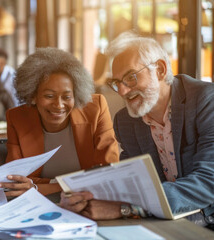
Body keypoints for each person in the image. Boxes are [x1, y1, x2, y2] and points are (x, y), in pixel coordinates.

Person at [60, 31, 214, 224]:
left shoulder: (206, 101)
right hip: (163, 218)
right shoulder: (126, 120)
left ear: (159, 69)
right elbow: (131, 178)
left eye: (131, 77)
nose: (123, 91)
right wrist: (86, 195)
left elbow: (209, 182)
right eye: (117, 82)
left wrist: (124, 207)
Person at [0, 47, 119, 198]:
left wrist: (40, 187)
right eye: (49, 96)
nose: (59, 105)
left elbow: (107, 172)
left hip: (87, 201)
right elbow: (17, 180)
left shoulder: (96, 109)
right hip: (35, 205)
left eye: (67, 97)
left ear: (76, 94)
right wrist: (76, 182)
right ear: (33, 95)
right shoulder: (17, 118)